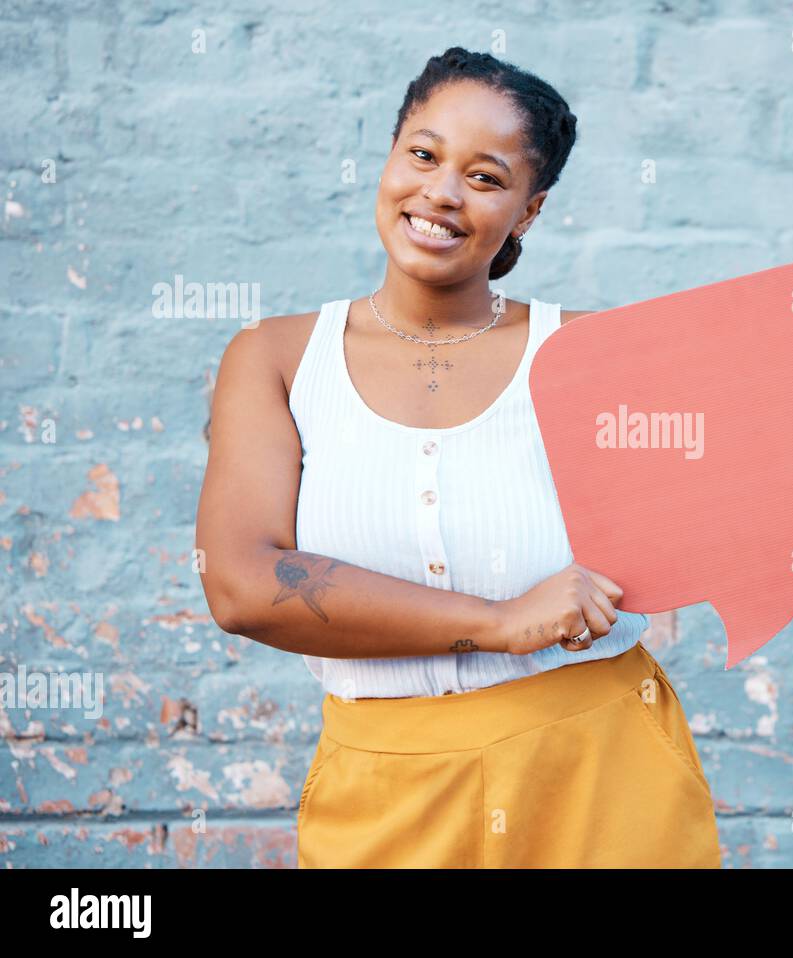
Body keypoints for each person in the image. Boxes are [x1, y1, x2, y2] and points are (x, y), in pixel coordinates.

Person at [195, 47, 723, 868]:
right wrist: (499, 622)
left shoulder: (595, 356)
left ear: (529, 211)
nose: (440, 192)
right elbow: (240, 586)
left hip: (599, 770)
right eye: (423, 153)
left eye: (485, 178)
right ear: (390, 156)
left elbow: (746, 490)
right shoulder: (274, 358)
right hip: (384, 787)